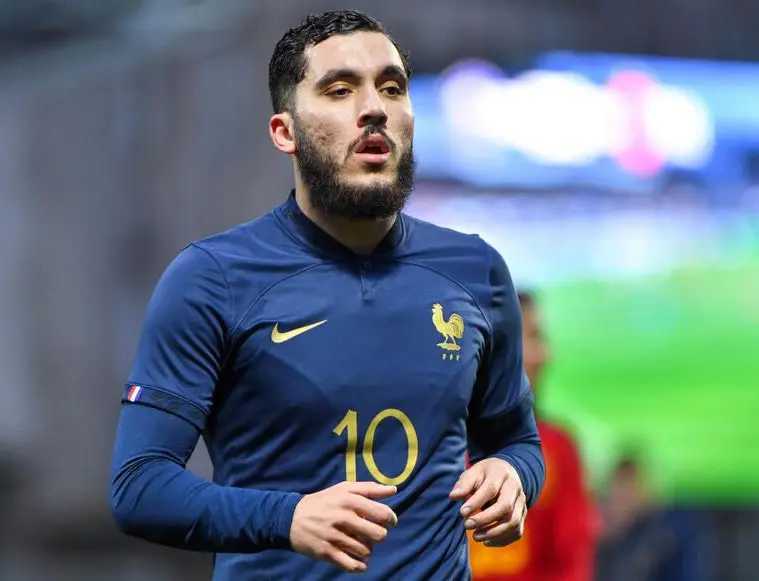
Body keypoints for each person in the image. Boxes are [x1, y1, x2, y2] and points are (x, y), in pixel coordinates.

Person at [110, 10, 544, 580]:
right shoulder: (212, 278)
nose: (374, 108)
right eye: (340, 90)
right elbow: (139, 484)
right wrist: (286, 517)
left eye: (392, 87)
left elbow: (516, 440)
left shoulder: (476, 270)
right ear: (284, 132)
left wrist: (514, 475)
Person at [469, 291, 598, 581]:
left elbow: (573, 566)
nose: (545, 356)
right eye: (533, 337)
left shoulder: (558, 448)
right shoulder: (436, 446)